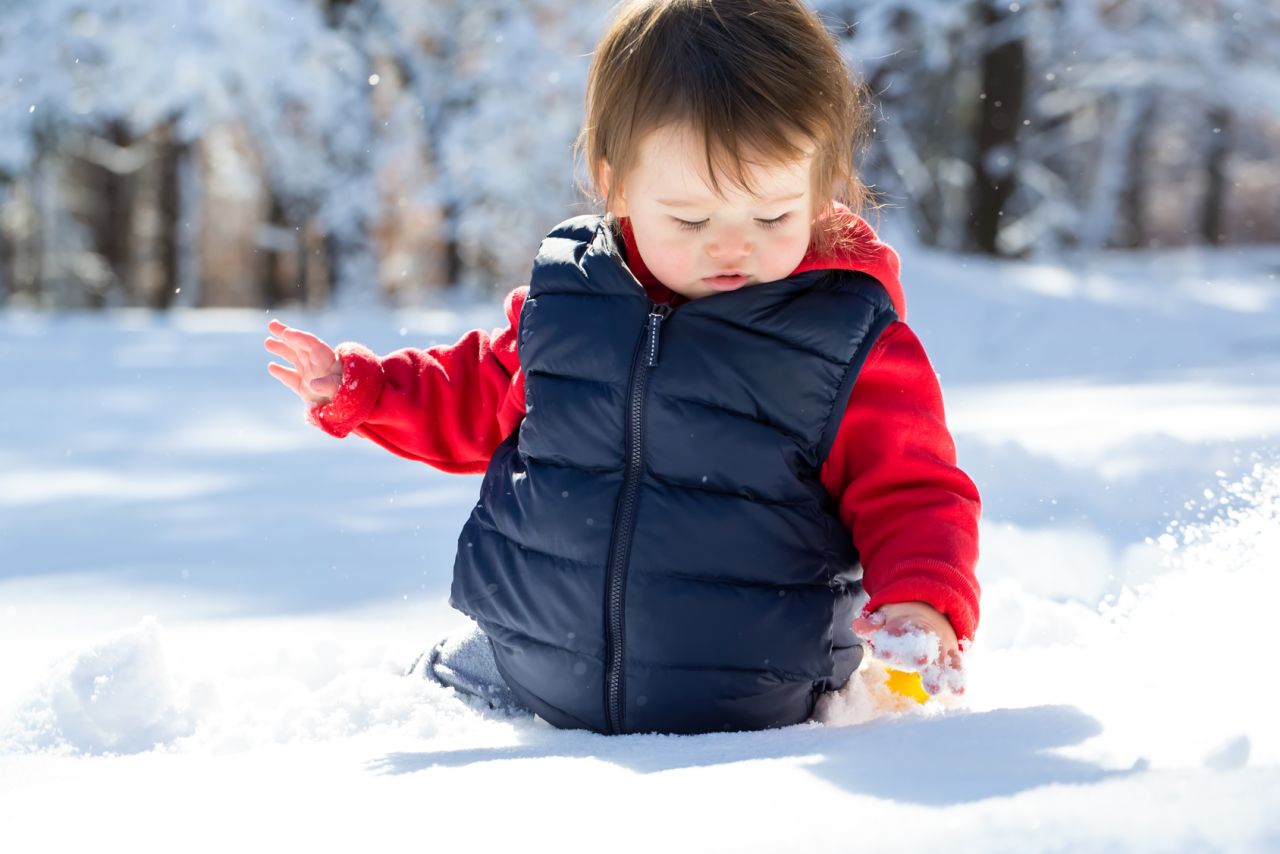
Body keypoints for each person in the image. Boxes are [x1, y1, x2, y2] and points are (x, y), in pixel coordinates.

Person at [265, 0, 980, 735]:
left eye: (770, 217)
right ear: (618, 183)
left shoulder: (845, 341)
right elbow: (473, 393)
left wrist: (922, 599)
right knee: (377, 733)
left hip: (749, 711)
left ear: (820, 185)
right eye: (692, 220)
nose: (731, 246)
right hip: (520, 671)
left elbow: (914, 490)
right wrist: (368, 389)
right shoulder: (573, 301)